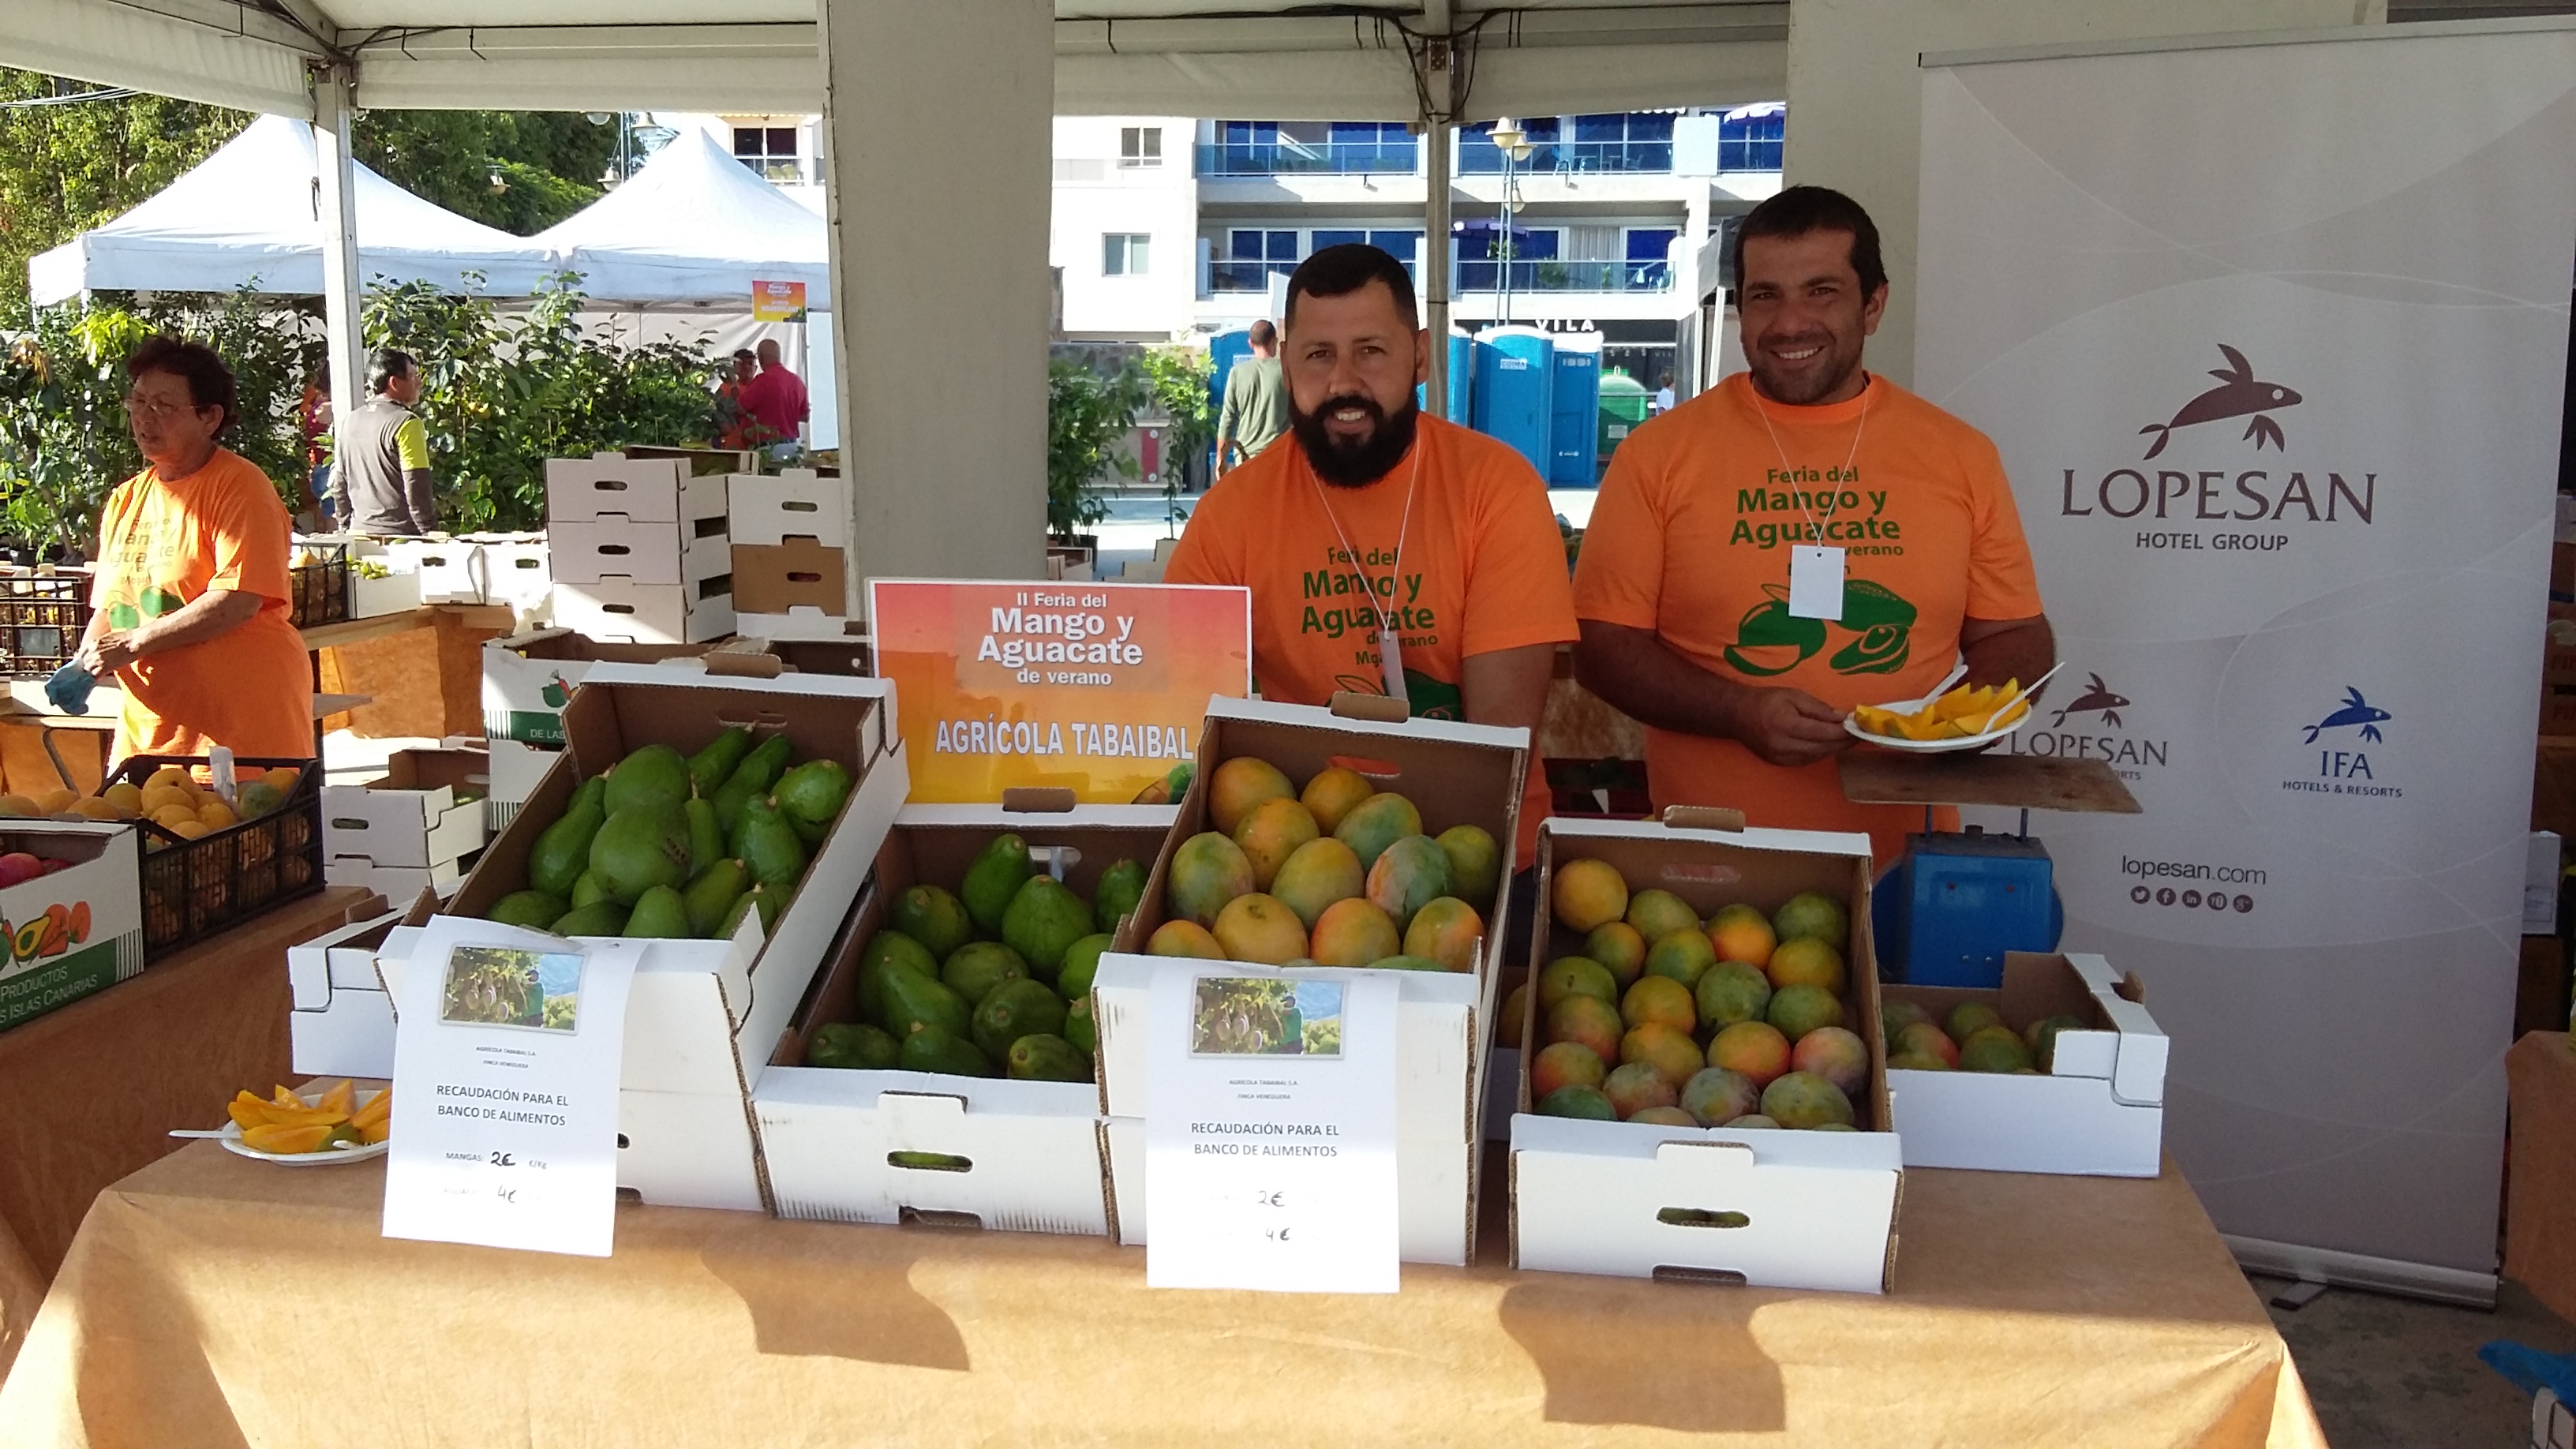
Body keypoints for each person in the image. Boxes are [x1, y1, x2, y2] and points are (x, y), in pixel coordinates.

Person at [1571, 186, 2054, 866]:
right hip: (1705, 863)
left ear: (1873, 305)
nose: (1790, 323)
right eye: (1765, 296)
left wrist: (1952, 726)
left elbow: (2015, 636)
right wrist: (1736, 713)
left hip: (1906, 865)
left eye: (1821, 292)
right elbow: (1600, 647)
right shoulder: (1657, 455)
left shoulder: (1960, 455)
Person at [1166, 244, 1578, 871]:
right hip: (1297, 861)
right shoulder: (1230, 514)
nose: (1343, 382)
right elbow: (1183, 716)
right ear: (1287, 365)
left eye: (1371, 351)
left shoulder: (1497, 489)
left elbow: (1498, 742)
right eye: (1319, 355)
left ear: (1421, 356)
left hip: (1483, 855)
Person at [73, 336, 314, 762]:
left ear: (209, 417)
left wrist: (135, 643)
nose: (144, 417)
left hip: (236, 730)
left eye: (163, 406)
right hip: (149, 732)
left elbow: (237, 599)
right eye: (138, 401)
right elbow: (112, 606)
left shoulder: (240, 487)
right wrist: (81, 665)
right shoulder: (126, 499)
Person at [333, 349, 438, 536]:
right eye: (413, 376)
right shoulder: (407, 423)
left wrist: (345, 527)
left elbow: (340, 483)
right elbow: (416, 485)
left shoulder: (350, 421)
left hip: (360, 534)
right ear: (394, 383)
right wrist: (429, 533)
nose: (419, 382)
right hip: (401, 537)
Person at [1216, 319, 1290, 474]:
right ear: (1274, 341)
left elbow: (1227, 418)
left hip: (1244, 458)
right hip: (1277, 458)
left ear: (1250, 343)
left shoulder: (1237, 373)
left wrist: (1220, 459)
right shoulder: (1286, 371)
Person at [736, 338, 810, 456]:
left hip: (768, 448)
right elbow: (804, 416)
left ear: (760, 357)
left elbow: (740, 408)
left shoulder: (762, 381)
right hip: (792, 446)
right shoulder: (797, 382)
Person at [298, 365, 333, 528]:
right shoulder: (327, 409)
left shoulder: (315, 408)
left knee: (327, 518)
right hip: (330, 472)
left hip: (320, 470)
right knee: (335, 522)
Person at [713, 348, 758, 449]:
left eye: (750, 364)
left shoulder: (760, 387)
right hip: (731, 443)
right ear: (734, 367)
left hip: (756, 443)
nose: (747, 367)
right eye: (742, 364)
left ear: (756, 368)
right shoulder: (725, 387)